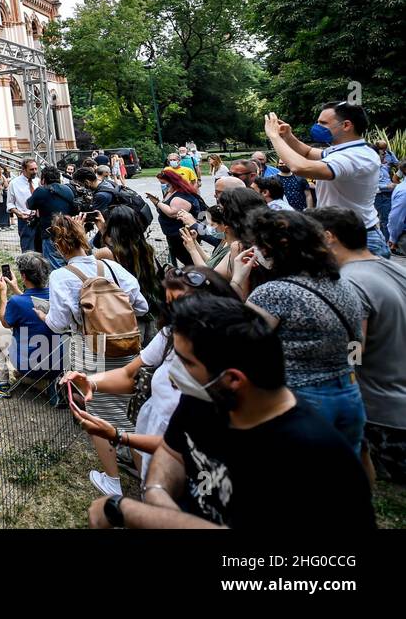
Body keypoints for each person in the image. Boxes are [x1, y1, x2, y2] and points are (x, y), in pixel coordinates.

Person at [88, 294, 375, 530]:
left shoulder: (315, 455)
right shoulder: (203, 398)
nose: (172, 372)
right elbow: (173, 450)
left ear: (234, 379)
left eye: (185, 363)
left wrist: (124, 510)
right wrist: (158, 495)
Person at [63, 266, 233, 482]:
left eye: (183, 306)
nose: (175, 316)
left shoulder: (227, 363)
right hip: (149, 446)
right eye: (171, 306)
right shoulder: (170, 334)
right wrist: (91, 381)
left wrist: (119, 436)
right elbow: (129, 375)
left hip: (189, 471)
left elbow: (186, 444)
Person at [238, 210, 366, 453]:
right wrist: (345, 371)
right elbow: (356, 344)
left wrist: (236, 282)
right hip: (348, 394)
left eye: (259, 244)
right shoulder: (342, 284)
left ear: (277, 247)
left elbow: (242, 349)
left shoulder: (273, 293)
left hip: (302, 399)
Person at [44, 216, 149, 496]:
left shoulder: (61, 276)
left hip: (91, 348)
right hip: (126, 346)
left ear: (58, 246)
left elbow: (57, 323)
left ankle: (112, 481)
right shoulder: (112, 267)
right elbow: (141, 305)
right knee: (132, 414)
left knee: (99, 414)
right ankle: (146, 482)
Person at [309, 206, 406, 485]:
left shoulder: (349, 283)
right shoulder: (390, 267)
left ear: (328, 237)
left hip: (385, 419)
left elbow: (354, 351)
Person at [264, 104, 389, 258]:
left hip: (356, 241)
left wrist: (274, 137)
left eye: (323, 123)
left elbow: (300, 167)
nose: (317, 127)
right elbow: (308, 152)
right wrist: (288, 136)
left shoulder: (356, 156)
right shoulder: (342, 150)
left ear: (346, 125)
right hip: (340, 235)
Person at [0, 252, 58, 396]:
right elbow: (33, 302)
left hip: (29, 365)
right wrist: (16, 289)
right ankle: (46, 384)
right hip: (56, 364)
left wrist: (3, 293)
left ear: (23, 276)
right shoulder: (56, 295)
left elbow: (5, 322)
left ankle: (0, 381)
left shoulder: (17, 302)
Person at [93, 205, 165, 337]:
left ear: (112, 228)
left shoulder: (105, 253)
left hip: (126, 319)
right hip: (149, 311)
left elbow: (86, 267)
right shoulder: (145, 248)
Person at [146, 168, 205, 268]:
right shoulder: (170, 191)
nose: (163, 185)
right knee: (184, 258)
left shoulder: (181, 196)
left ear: (172, 181)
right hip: (174, 235)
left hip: (183, 234)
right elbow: (164, 210)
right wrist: (157, 203)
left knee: (190, 259)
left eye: (164, 183)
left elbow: (172, 213)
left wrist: (158, 202)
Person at [27, 165, 77, 269]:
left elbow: (29, 204)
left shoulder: (41, 191)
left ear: (43, 179)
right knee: (67, 260)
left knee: (54, 265)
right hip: (68, 230)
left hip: (50, 232)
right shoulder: (67, 189)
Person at [8, 159, 39, 252]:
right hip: (25, 220)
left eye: (36, 169)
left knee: (40, 249)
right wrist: (19, 214)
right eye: (32, 169)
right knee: (28, 250)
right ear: (24, 169)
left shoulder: (38, 181)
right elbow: (10, 204)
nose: (35, 172)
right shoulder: (14, 183)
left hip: (39, 220)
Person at [375, 139, 399, 239]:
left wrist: (398, 176)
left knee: (390, 218)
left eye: (385, 150)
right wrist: (387, 186)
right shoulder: (372, 165)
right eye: (382, 151)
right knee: (385, 219)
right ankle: (387, 243)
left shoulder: (388, 155)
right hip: (380, 194)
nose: (384, 153)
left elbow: (398, 164)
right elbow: (370, 184)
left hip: (390, 192)